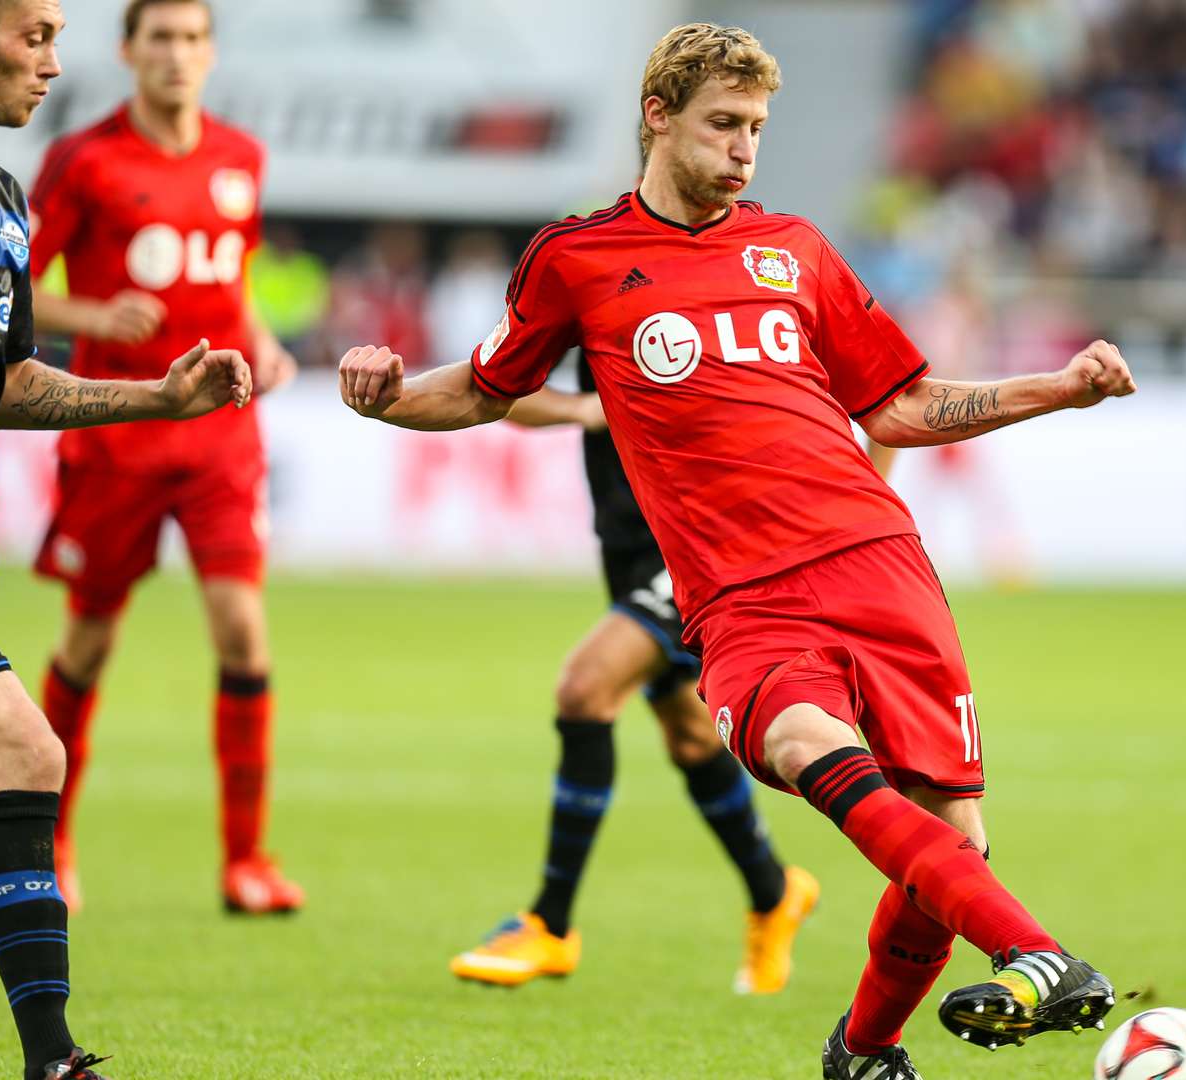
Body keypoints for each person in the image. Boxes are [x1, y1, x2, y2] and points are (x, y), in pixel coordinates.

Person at [338, 24, 1133, 1078]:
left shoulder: (794, 248)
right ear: (658, 117)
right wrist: (385, 396)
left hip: (880, 560)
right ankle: (1037, 953)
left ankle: (864, 1049)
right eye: (723, 124)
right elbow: (484, 388)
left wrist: (1059, 388)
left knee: (955, 842)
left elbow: (900, 408)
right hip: (744, 596)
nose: (744, 149)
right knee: (801, 747)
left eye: (756, 128)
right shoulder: (577, 259)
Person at [0, 3, 253, 1077]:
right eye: (36, 35)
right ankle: (55, 1063)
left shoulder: (2, 201)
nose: (56, 62)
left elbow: (10, 386)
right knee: (25, 748)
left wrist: (161, 398)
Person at [25, 0, 301, 914]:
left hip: (221, 432)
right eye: (161, 39)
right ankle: (52, 838)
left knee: (243, 633)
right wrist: (94, 317)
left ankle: (246, 861)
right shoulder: (88, 160)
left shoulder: (241, 159)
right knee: (91, 639)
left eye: (192, 39)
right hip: (119, 427)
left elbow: (231, 280)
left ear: (210, 53)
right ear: (129, 53)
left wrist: (258, 341)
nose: (178, 55)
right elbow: (12, 291)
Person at [448, 367, 822, 994]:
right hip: (627, 543)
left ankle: (551, 922)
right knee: (692, 738)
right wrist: (583, 409)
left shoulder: (714, 287)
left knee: (585, 687)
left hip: (707, 540)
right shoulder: (581, 280)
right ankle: (774, 890)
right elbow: (496, 389)